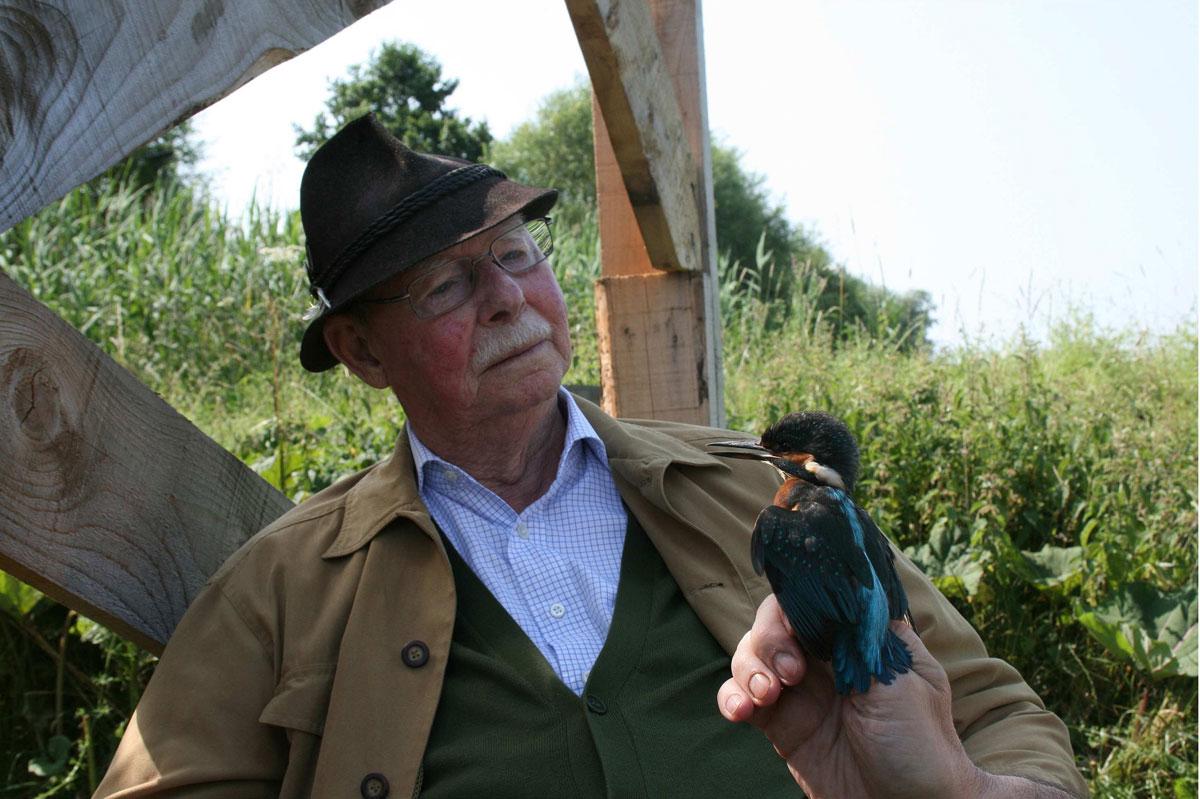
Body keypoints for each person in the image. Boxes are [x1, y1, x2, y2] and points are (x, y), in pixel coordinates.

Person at [96, 115, 1087, 799]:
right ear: (361, 351)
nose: (507, 299)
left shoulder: (758, 491)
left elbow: (995, 711)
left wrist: (959, 787)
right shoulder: (280, 588)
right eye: (443, 285)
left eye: (519, 255)